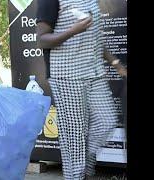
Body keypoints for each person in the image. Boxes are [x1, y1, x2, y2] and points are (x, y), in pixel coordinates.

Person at [36, 0, 127, 179]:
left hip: (94, 71)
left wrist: (116, 64)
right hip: (67, 75)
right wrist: (73, 30)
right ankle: (76, 174)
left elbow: (96, 37)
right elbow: (42, 40)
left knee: (106, 121)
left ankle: (82, 166)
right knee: (75, 137)